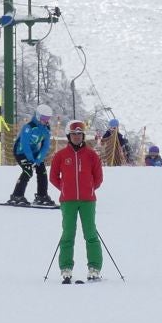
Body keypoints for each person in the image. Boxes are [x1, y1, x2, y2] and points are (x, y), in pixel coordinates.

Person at [49, 118, 106, 281]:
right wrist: (65, 188)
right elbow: (53, 177)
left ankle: (94, 267)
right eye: (74, 134)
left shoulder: (91, 155)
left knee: (90, 233)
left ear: (83, 136)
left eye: (79, 134)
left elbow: (98, 178)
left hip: (88, 200)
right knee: (68, 234)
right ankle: (66, 268)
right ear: (69, 135)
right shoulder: (61, 155)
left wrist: (89, 188)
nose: (77, 137)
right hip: (68, 201)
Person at [8, 106, 56, 205]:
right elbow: (25, 144)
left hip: (34, 152)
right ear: (38, 116)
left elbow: (45, 145)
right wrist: (30, 159)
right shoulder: (29, 127)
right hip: (21, 151)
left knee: (42, 171)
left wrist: (38, 159)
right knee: (28, 170)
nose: (46, 121)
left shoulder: (46, 129)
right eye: (44, 118)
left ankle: (42, 196)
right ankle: (17, 196)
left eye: (48, 119)